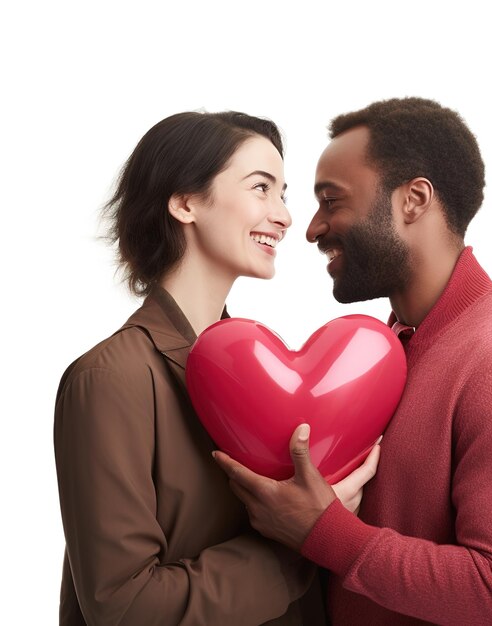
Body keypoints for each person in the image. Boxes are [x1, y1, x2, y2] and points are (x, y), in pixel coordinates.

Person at [213, 98, 492, 625]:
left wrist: (325, 533)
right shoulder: (389, 348)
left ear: (414, 200)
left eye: (332, 200)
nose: (312, 228)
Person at [54, 110, 379, 625]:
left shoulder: (266, 377)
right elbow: (124, 608)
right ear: (185, 203)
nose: (286, 216)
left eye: (283, 194)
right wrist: (304, 540)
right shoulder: (112, 378)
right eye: (261, 188)